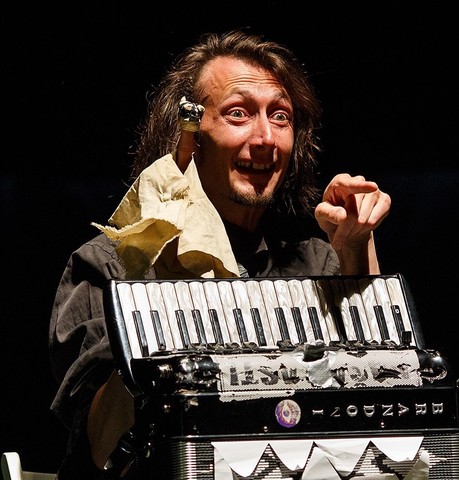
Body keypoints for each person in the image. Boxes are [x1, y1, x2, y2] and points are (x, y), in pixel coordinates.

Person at [48, 29, 391, 479]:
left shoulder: (316, 265)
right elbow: (103, 446)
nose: (266, 137)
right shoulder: (108, 265)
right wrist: (167, 297)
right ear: (189, 135)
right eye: (238, 113)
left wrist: (355, 248)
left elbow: (382, 415)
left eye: (281, 116)